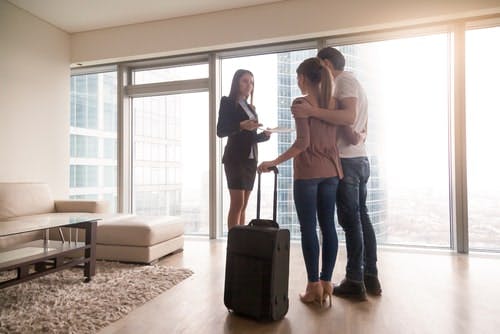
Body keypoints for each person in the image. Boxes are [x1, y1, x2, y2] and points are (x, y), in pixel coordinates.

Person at [292, 47, 382, 300]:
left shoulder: (343, 82)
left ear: (326, 63)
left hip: (345, 162)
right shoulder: (357, 86)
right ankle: (369, 276)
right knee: (358, 219)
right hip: (357, 158)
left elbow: (348, 118)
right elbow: (359, 125)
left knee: (350, 222)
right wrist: (360, 135)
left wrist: (312, 112)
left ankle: (354, 280)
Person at [258, 57, 341, 307]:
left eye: (298, 77)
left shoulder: (301, 103)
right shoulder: (334, 103)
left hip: (308, 173)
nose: (297, 81)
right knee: (328, 227)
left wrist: (274, 161)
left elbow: (302, 143)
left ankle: (312, 285)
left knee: (308, 228)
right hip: (332, 172)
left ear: (303, 78)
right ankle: (327, 283)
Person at [216, 69, 271, 230]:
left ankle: (241, 243)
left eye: (252, 82)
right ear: (236, 83)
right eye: (245, 81)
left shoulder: (251, 108)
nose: (249, 85)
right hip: (235, 159)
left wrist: (265, 136)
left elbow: (250, 137)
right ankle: (233, 245)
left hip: (251, 160)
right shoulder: (227, 102)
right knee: (237, 203)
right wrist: (241, 125)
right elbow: (221, 130)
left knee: (244, 204)